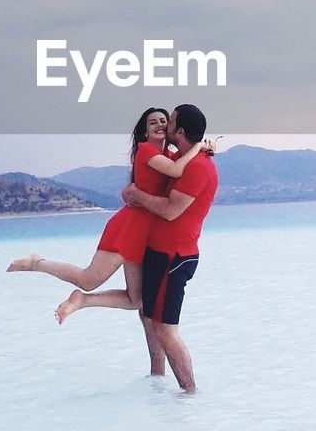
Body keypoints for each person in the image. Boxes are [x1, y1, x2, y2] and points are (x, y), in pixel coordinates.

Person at [57, 103, 218, 393]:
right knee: (146, 312)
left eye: (169, 123)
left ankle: (190, 396)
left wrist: (136, 194)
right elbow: (155, 176)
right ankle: (157, 382)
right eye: (157, 122)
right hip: (155, 249)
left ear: (179, 131)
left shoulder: (196, 166)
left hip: (174, 256)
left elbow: (170, 210)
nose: (164, 126)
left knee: (165, 331)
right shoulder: (176, 156)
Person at [6, 108, 211, 327]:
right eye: (153, 123)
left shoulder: (169, 156)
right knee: (88, 279)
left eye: (163, 120)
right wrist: (199, 146)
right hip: (129, 227)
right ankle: (37, 263)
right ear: (145, 131)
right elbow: (177, 170)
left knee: (136, 300)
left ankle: (82, 300)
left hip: (146, 234)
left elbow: (181, 165)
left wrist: (205, 146)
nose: (160, 124)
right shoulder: (146, 151)